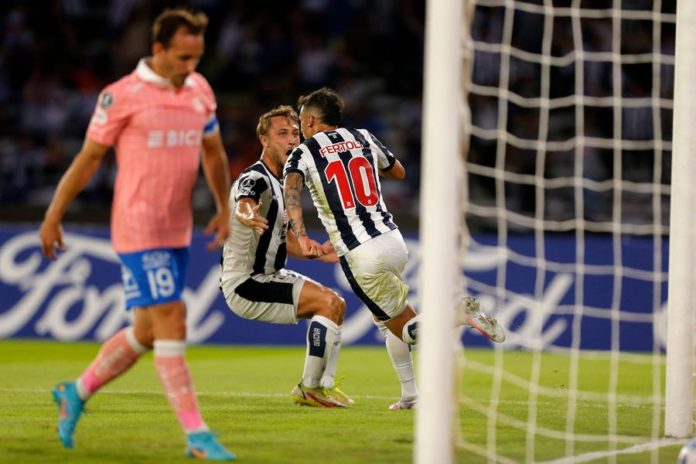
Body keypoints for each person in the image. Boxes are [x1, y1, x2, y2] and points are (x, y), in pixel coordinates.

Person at [39, 9, 235, 461]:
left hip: (176, 227)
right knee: (172, 315)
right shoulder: (121, 96)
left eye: (197, 57)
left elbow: (213, 152)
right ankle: (197, 436)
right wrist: (53, 215)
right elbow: (88, 159)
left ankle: (77, 391)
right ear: (159, 49)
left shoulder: (200, 91)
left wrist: (225, 206)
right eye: (183, 57)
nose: (191, 67)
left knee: (147, 331)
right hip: (137, 225)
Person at [283, 87, 505, 409]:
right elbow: (398, 172)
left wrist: (301, 235)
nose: (300, 128)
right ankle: (411, 395)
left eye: (302, 121)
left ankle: (456, 313)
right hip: (393, 240)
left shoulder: (304, 152)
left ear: (313, 120)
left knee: (406, 329)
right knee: (386, 319)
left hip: (361, 253)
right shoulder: (363, 137)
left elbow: (292, 191)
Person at [219, 105, 351, 408]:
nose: (291, 139)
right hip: (246, 282)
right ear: (264, 140)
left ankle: (323, 386)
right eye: (282, 134)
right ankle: (310, 388)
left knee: (337, 305)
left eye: (294, 133)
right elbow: (245, 200)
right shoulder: (257, 177)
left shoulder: (281, 182)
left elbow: (283, 240)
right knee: (327, 303)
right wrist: (248, 214)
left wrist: (317, 253)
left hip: (269, 275)